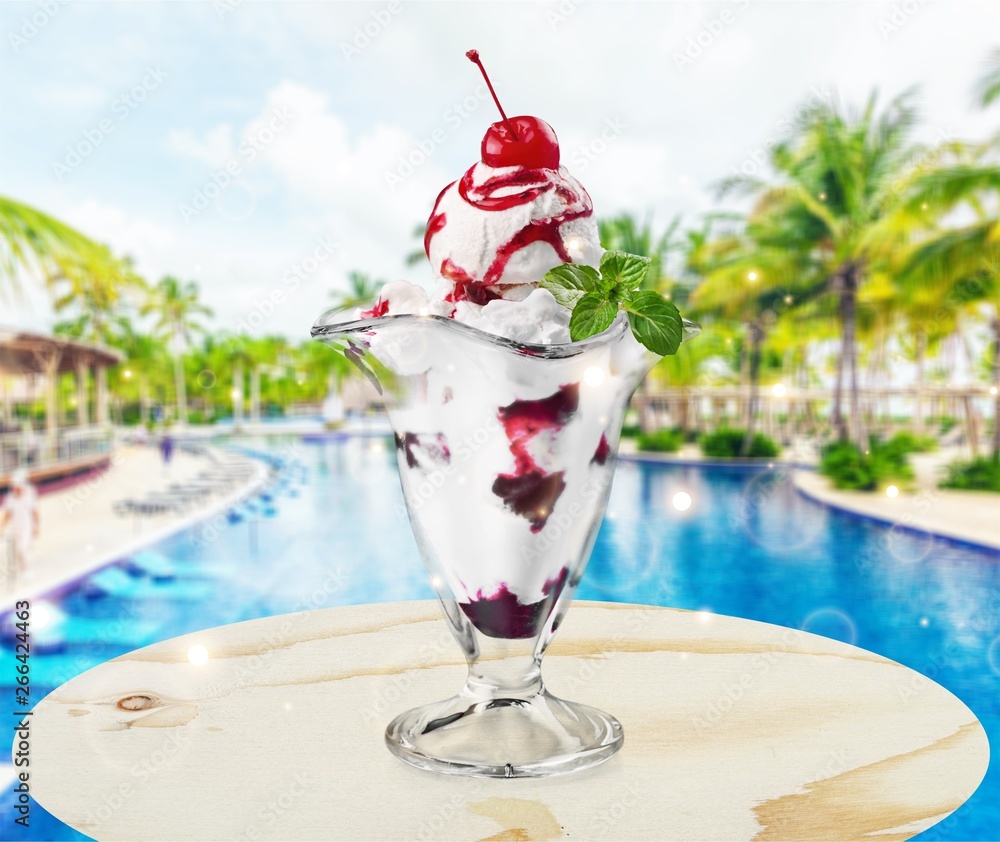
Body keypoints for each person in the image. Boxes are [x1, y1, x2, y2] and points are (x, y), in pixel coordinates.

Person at [1, 469, 40, 584]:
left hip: (27, 526)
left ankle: (28, 570)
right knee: (19, 550)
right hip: (15, 527)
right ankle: (24, 569)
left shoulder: (29, 496)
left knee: (23, 549)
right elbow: (7, 514)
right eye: (14, 487)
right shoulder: (10, 498)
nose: (15, 489)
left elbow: (34, 512)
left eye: (18, 487)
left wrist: (36, 527)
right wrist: (2, 527)